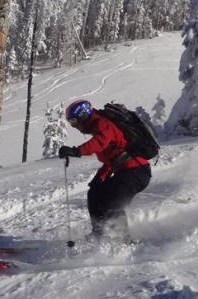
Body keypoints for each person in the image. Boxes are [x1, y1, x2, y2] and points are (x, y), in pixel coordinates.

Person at [58, 100, 151, 244]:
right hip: (125, 171)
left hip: (136, 171)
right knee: (95, 193)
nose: (74, 126)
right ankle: (98, 234)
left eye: (74, 121)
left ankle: (124, 240)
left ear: (83, 115)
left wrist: (76, 151)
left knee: (113, 202)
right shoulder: (98, 126)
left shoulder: (103, 124)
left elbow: (99, 143)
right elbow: (112, 159)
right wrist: (100, 177)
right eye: (70, 123)